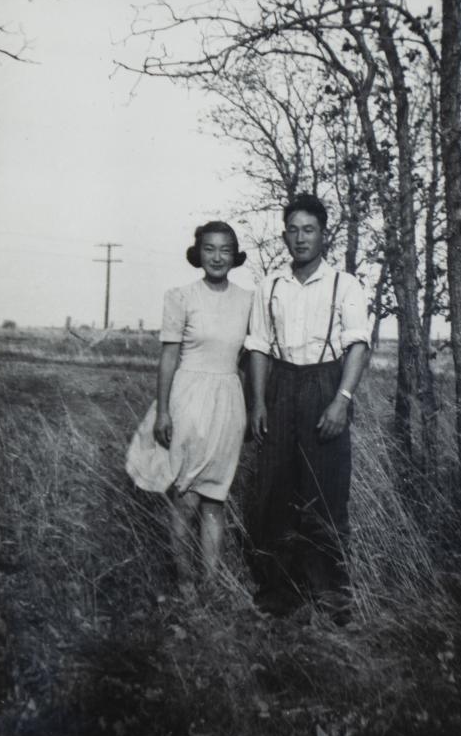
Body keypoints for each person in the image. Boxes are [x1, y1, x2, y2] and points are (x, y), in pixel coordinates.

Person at [246, 194, 370, 618]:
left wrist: (342, 400)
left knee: (326, 494)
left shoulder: (345, 284)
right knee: (272, 494)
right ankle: (278, 597)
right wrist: (259, 402)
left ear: (324, 234)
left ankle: (333, 599)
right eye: (293, 230)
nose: (300, 238)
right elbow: (259, 347)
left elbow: (357, 345)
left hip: (324, 385)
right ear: (284, 235)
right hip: (280, 386)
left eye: (309, 230)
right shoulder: (270, 286)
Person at [126, 221, 252, 589]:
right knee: (185, 499)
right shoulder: (180, 296)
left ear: (235, 255)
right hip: (187, 400)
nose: (217, 257)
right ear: (198, 254)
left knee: (215, 499)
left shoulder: (248, 301)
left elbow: (251, 357)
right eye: (209, 249)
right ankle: (185, 585)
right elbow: (168, 358)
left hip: (228, 402)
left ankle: (211, 586)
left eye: (225, 249)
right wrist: (163, 411)